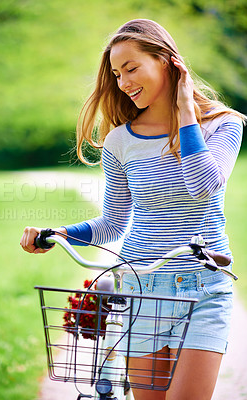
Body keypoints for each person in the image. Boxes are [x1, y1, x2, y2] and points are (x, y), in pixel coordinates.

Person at [20, 19, 246, 400]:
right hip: (141, 288)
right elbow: (112, 223)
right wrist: (57, 234)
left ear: (167, 62)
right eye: (116, 73)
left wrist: (186, 110)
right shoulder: (120, 141)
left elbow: (204, 183)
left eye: (131, 68)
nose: (123, 83)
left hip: (203, 288)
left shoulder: (222, 125)